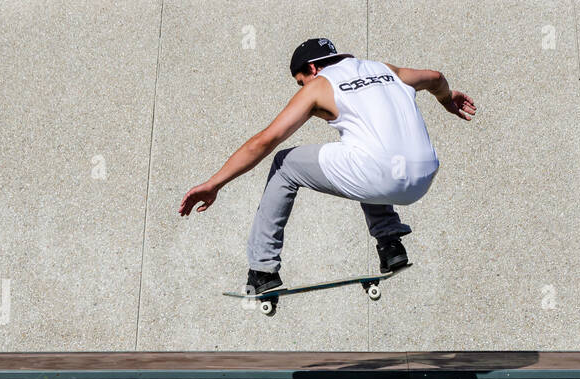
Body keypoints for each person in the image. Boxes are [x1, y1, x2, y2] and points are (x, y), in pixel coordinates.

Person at [180, 38, 476, 294]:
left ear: (312, 68)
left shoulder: (319, 85)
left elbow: (264, 141)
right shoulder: (385, 70)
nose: (302, 88)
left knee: (284, 163)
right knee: (358, 150)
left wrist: (215, 183)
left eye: (300, 82)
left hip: (380, 175)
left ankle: (262, 270)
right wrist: (447, 98)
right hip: (424, 173)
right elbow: (436, 77)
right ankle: (390, 244)